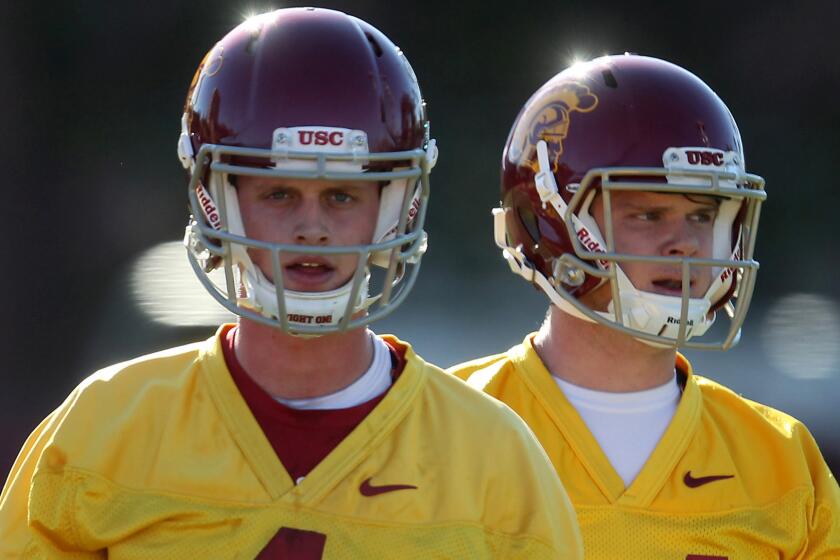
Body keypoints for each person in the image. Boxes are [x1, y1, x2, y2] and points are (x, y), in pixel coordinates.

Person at [0, 8, 582, 558]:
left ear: (395, 209)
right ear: (218, 203)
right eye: (278, 194)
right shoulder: (101, 430)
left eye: (342, 196)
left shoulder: (494, 458)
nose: (311, 228)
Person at [450, 53, 840, 558]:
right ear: (552, 221)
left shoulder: (784, 459)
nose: (687, 244)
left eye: (703, 216)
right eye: (650, 213)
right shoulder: (444, 427)